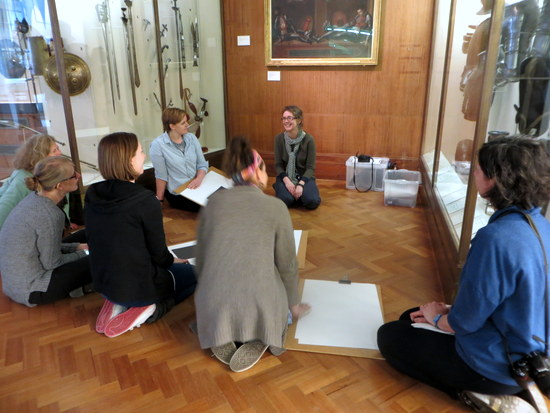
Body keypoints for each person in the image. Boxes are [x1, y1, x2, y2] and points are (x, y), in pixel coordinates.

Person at [377, 137, 550, 413]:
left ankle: (473, 391)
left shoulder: (495, 238)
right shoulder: (540, 225)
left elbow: (465, 322)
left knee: (389, 336)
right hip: (530, 355)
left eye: (479, 169)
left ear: (496, 179)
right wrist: (445, 313)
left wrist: (439, 317)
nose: (474, 173)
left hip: (496, 366)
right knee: (410, 314)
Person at [195, 136, 310, 372]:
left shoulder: (212, 203)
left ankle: (223, 330)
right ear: (255, 173)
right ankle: (260, 332)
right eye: (265, 168)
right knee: (279, 296)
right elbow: (287, 265)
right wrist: (293, 305)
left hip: (215, 306)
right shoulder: (276, 207)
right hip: (259, 304)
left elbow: (201, 261)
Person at [85, 132, 197, 338]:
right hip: (141, 285)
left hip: (104, 280)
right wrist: (175, 262)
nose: (144, 157)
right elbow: (158, 254)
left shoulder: (92, 193)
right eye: (141, 152)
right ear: (129, 160)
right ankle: (151, 308)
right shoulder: (146, 200)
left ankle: (117, 300)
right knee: (195, 276)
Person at [0, 156, 91, 306]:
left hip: (15, 284)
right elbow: (53, 263)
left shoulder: (34, 198)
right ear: (59, 186)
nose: (78, 176)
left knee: (84, 235)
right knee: (100, 259)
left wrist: (76, 247)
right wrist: (85, 252)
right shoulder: (50, 214)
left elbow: (40, 247)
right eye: (73, 175)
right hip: (33, 289)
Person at [149, 107, 208, 212]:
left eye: (187, 121)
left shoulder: (192, 138)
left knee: (223, 199)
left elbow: (202, 165)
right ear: (172, 126)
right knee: (211, 207)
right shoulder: (157, 145)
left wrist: (198, 179)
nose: (187, 125)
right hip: (179, 193)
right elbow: (161, 176)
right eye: (183, 123)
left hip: (198, 186)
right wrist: (159, 200)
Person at [0, 134, 62, 229]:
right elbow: (4, 210)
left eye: (58, 149)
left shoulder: (48, 174)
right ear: (41, 156)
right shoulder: (23, 179)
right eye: (55, 151)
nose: (60, 153)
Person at [273, 105, 321, 209]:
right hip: (285, 177)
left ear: (299, 120)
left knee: (312, 201)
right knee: (286, 201)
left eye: (290, 118)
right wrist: (287, 181)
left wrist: (301, 185)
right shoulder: (279, 139)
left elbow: (310, 168)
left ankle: (300, 194)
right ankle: (281, 188)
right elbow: (278, 165)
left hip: (304, 178)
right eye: (284, 118)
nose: (286, 121)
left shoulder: (309, 140)